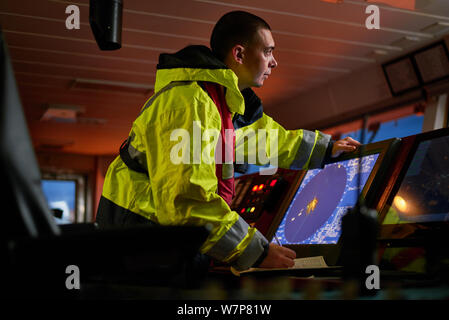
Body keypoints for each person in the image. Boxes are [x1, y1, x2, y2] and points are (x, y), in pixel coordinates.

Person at [96, 11, 360, 272]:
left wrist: (325, 149)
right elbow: (189, 203)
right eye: (268, 51)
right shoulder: (191, 102)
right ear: (239, 54)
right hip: (142, 240)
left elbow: (266, 140)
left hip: (161, 239)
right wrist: (255, 251)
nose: (274, 62)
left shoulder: (220, 105)